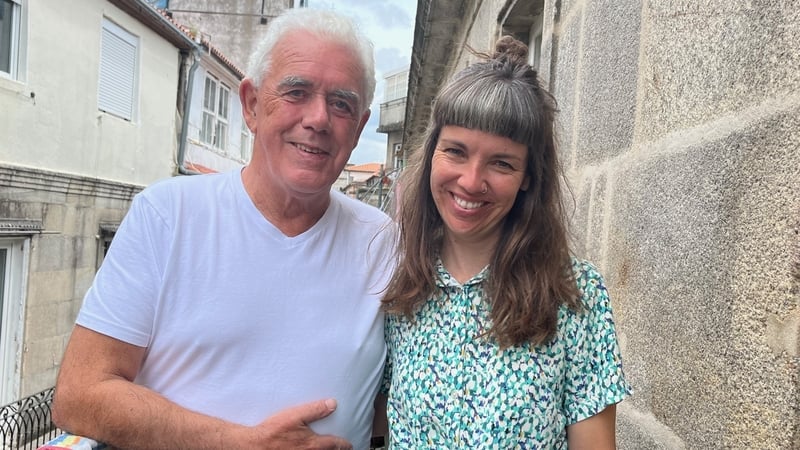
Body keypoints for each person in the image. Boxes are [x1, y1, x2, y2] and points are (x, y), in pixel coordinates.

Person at [52, 8, 395, 450]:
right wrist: (240, 442)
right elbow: (79, 395)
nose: (319, 119)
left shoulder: (384, 241)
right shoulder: (168, 216)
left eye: (342, 104)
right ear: (251, 104)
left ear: (360, 127)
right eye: (296, 91)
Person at [380, 36, 632, 449]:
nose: (472, 181)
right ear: (431, 156)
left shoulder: (575, 295)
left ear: (528, 177)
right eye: (456, 152)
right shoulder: (400, 283)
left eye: (501, 163)